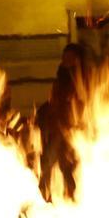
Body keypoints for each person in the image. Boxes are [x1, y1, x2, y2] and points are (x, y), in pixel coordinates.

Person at [36, 44, 86, 199]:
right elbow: (54, 101)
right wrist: (43, 113)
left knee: (66, 166)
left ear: (77, 60)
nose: (66, 60)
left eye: (70, 57)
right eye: (65, 57)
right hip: (57, 128)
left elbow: (82, 103)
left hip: (71, 130)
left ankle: (70, 196)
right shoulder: (61, 76)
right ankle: (46, 195)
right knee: (50, 163)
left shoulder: (82, 78)